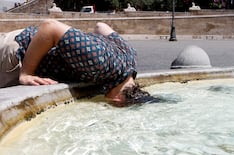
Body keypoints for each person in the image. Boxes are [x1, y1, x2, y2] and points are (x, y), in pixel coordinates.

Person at [0, 19, 152, 106]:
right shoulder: (98, 62)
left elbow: (101, 26)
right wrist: (27, 72)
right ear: (118, 99)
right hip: (16, 52)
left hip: (22, 40)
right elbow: (50, 26)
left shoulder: (130, 58)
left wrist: (80, 44)